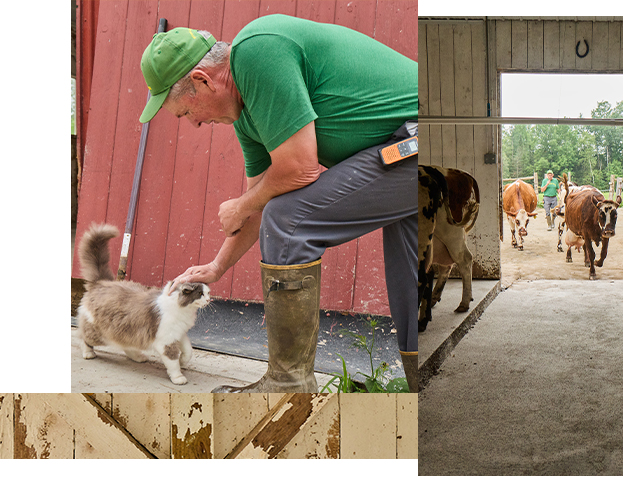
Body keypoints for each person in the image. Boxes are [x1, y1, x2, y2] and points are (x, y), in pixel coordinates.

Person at [138, 15, 418, 393]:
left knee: (288, 221)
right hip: (405, 153)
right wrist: (217, 267)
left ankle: (287, 387)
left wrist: (238, 205)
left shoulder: (258, 50)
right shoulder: (246, 116)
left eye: (187, 113)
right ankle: (419, 387)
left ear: (203, 81)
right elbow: (262, 198)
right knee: (408, 280)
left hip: (416, 142)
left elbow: (299, 171)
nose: (194, 124)